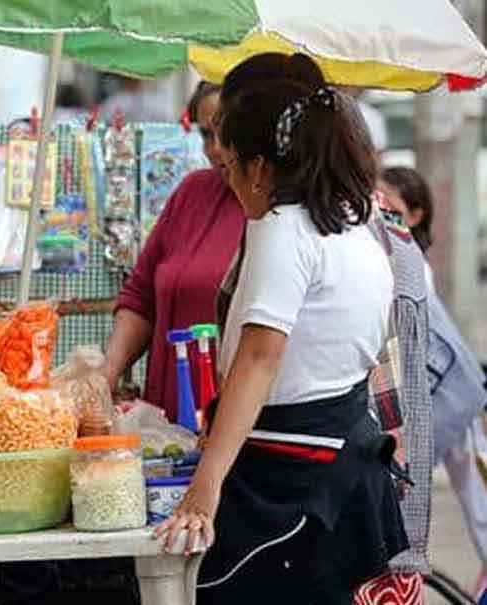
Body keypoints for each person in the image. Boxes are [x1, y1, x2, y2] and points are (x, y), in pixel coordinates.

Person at [155, 67, 409, 603]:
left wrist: (205, 488)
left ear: (260, 167)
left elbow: (259, 360)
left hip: (293, 473)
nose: (227, 183)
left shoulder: (282, 228)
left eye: (230, 170)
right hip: (341, 456)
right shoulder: (352, 223)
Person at [102, 80, 244, 420]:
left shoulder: (273, 210)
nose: (214, 149)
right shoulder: (192, 191)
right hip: (165, 411)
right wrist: (106, 375)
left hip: (229, 417)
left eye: (223, 132)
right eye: (205, 135)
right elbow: (140, 296)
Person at [381, 166, 487, 603]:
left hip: (445, 394)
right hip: (444, 391)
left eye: (393, 210)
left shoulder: (409, 267)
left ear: (417, 214)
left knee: (462, 497)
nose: (383, 217)